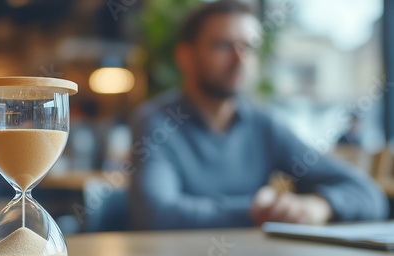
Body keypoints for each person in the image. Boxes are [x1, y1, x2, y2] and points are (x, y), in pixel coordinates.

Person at [129, 0, 388, 230]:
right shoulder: (156, 122)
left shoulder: (263, 125)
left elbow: (369, 195)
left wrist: (321, 205)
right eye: (223, 46)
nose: (239, 58)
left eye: (249, 46)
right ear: (185, 56)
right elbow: (155, 214)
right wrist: (257, 210)